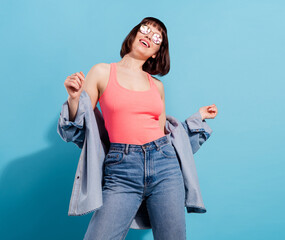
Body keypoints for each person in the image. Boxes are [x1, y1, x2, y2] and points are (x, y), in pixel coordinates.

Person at [63, 17, 218, 240]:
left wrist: (199, 118)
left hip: (165, 166)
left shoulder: (157, 86)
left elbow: (168, 135)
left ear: (156, 52)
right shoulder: (102, 72)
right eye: (145, 29)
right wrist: (73, 98)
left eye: (157, 38)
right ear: (135, 34)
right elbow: (82, 124)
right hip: (121, 170)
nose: (148, 35)